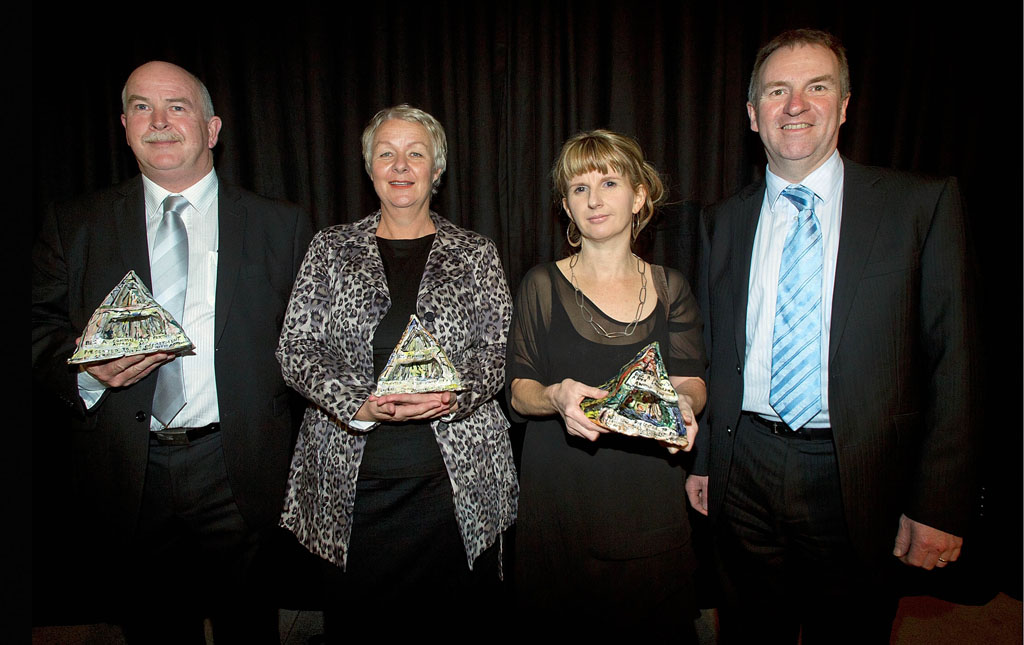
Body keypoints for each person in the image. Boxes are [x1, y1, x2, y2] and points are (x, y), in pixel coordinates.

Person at [686, 29, 978, 643]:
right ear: (751, 114)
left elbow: (956, 363)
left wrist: (939, 503)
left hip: (859, 475)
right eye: (777, 91)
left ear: (845, 106)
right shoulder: (721, 221)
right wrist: (707, 461)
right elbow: (715, 352)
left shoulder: (918, 206)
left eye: (816, 88)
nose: (795, 105)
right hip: (744, 470)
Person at [31, 62, 314, 642]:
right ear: (124, 127)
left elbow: (310, 343)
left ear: (211, 129)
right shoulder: (75, 223)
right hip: (126, 470)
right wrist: (85, 370)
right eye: (141, 107)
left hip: (239, 467)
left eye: (176, 106)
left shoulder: (278, 225)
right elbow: (37, 326)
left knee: (249, 630)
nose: (158, 122)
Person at [276, 105, 517, 637]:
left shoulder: (476, 252)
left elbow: (497, 351)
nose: (401, 165)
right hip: (353, 483)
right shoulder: (331, 249)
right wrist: (354, 403)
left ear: (438, 168)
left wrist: (455, 395)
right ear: (369, 167)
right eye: (386, 153)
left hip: (455, 482)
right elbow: (296, 347)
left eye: (416, 153)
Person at [507, 130, 707, 637]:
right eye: (578, 188)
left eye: (609, 182)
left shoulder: (672, 287)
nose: (594, 199)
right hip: (560, 505)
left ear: (639, 195)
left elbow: (691, 382)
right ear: (566, 208)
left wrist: (680, 403)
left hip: (648, 503)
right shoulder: (540, 284)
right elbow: (518, 390)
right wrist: (554, 396)